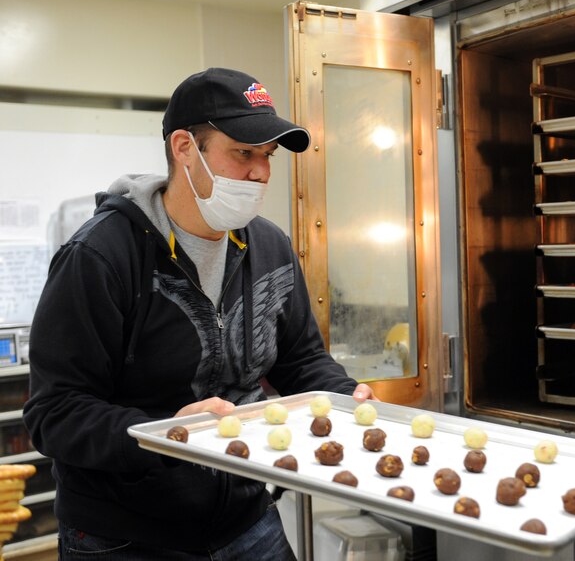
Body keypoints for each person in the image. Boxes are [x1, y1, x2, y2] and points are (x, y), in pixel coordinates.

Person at [23, 67, 376, 560]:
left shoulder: (269, 246)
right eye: (244, 153)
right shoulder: (101, 257)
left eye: (268, 157)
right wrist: (168, 434)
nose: (262, 174)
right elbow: (55, 413)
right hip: (126, 536)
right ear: (185, 148)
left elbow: (301, 360)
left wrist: (345, 398)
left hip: (247, 520)